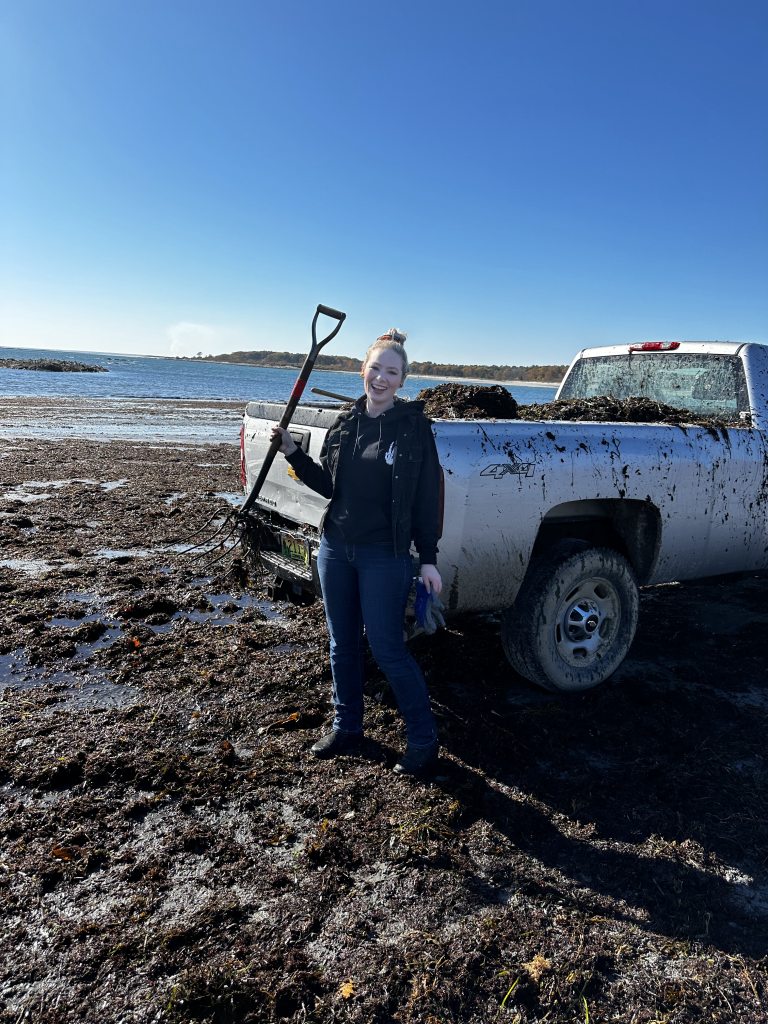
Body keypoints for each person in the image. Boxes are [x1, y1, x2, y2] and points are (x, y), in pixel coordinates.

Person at [270, 329, 442, 774]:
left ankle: (423, 741)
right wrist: (293, 452)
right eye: (375, 369)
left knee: (388, 651)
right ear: (361, 370)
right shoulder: (346, 423)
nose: (381, 378)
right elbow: (330, 486)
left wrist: (428, 558)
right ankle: (348, 728)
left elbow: (427, 496)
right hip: (335, 549)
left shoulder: (413, 428)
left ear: (403, 380)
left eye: (392, 372)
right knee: (341, 645)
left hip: (384, 556)